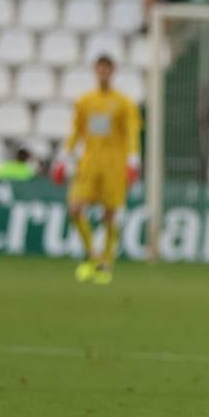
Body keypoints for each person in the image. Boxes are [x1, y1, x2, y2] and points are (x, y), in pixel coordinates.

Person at [50, 56, 142, 285]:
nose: (103, 74)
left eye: (107, 70)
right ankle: (93, 254)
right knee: (75, 207)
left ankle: (106, 262)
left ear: (113, 72)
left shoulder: (124, 103)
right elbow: (76, 132)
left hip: (114, 164)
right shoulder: (85, 102)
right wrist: (63, 158)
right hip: (89, 164)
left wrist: (132, 161)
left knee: (110, 214)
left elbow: (131, 133)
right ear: (95, 71)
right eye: (99, 70)